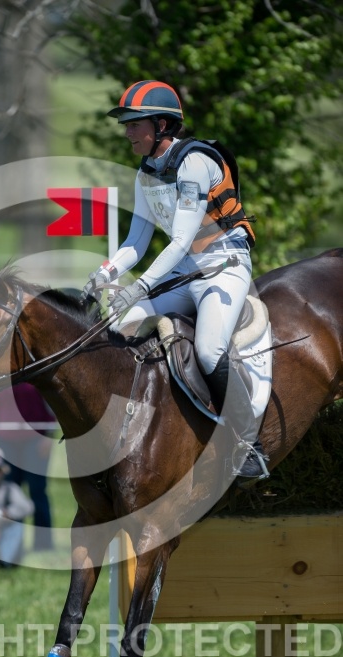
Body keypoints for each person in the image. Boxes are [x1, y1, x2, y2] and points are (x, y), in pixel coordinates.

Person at [80, 80, 268, 480]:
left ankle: (247, 442)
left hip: (224, 263)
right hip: (186, 270)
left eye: (134, 124)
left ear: (162, 125)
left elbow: (181, 240)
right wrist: (103, 275)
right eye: (126, 125)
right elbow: (135, 242)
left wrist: (139, 287)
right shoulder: (146, 172)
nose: (127, 132)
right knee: (122, 326)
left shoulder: (194, 163)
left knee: (209, 351)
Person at [0, 383, 55, 550]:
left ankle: (43, 543)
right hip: (7, 442)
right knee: (11, 493)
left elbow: (52, 405)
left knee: (37, 490)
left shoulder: (34, 374)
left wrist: (49, 436)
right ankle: (13, 543)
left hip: (35, 440)